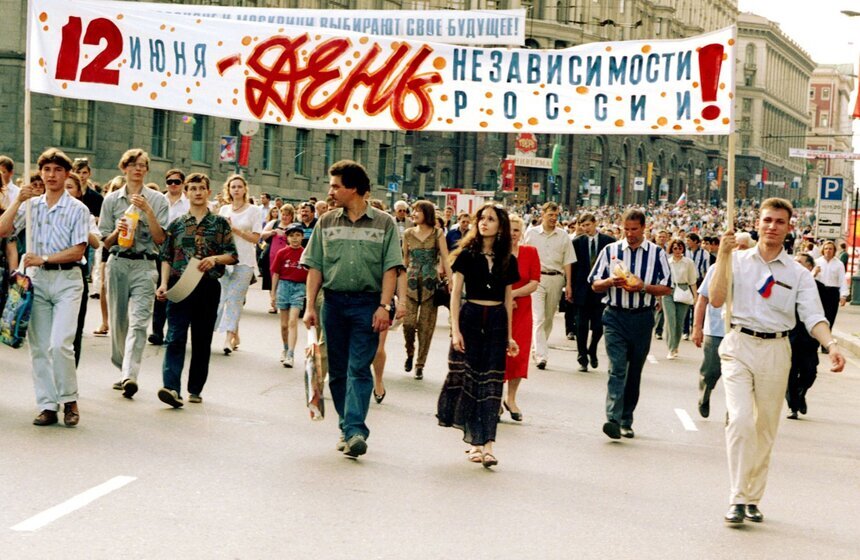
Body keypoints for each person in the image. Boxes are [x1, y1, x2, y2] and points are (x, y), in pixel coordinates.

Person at [709, 197, 845, 525]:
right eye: (767, 220)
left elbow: (813, 315)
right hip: (739, 344)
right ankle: (737, 497)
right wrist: (723, 256)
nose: (772, 227)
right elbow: (715, 298)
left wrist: (831, 345)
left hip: (776, 350)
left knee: (764, 427)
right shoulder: (736, 259)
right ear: (757, 223)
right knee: (740, 419)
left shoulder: (798, 274)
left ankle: (753, 498)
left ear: (788, 228)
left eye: (779, 222)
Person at [302, 160, 402, 459]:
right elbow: (315, 267)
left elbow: (391, 268)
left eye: (335, 186)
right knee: (337, 371)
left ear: (354, 188)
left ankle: (356, 430)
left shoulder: (384, 223)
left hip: (367, 305)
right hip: (332, 303)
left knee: (359, 368)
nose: (330, 191)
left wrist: (385, 306)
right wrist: (310, 307)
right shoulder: (326, 222)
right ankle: (347, 428)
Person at [0, 148, 89, 426]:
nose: (51, 175)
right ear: (41, 173)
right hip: (37, 281)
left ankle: (69, 399)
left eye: (58, 170)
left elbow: (78, 251)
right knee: (38, 347)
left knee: (60, 344)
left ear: (66, 174)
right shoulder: (31, 205)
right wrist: (17, 202)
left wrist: (45, 258)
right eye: (47, 170)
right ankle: (47, 404)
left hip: (67, 280)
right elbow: (3, 231)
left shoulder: (78, 208)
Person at [437, 203, 519, 468]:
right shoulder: (466, 254)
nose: (484, 223)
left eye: (491, 219)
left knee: (492, 386)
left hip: (495, 321)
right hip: (470, 317)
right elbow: (455, 293)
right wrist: (455, 330)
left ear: (500, 226)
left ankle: (489, 446)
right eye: (481, 218)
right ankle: (474, 444)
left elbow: (507, 298)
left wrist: (509, 336)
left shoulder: (509, 259)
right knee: (470, 382)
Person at [155, 173, 238, 408]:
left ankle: (195, 388)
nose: (197, 192)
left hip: (207, 286)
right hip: (180, 286)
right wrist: (163, 284)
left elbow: (232, 256)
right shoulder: (177, 224)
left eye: (201, 188)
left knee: (201, 340)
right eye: (192, 188)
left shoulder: (219, 223)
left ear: (208, 192)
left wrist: (214, 259)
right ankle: (171, 387)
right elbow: (166, 257)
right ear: (186, 193)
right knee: (175, 337)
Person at [589, 208, 672, 440]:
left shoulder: (656, 253)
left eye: (634, 229)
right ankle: (612, 419)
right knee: (617, 368)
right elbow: (594, 283)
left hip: (642, 317)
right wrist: (608, 281)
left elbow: (667, 287)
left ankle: (627, 419)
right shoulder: (611, 250)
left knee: (634, 370)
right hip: (615, 315)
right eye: (626, 229)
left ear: (644, 228)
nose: (630, 234)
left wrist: (642, 286)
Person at [99, 149, 169, 399]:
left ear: (147, 170)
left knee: (139, 323)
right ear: (124, 169)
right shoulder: (111, 200)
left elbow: (161, 239)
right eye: (133, 165)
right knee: (119, 322)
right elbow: (104, 243)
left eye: (142, 165)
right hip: (118, 262)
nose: (138, 169)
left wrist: (148, 211)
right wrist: (118, 231)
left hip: (144, 264)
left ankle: (130, 375)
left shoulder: (158, 200)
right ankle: (121, 366)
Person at [401, 200, 452, 380]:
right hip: (411, 282)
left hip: (431, 284)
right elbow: (404, 261)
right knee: (408, 323)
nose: (413, 214)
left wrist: (450, 280)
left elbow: (445, 258)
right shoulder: (408, 233)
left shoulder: (438, 233)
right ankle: (409, 352)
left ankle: (420, 364)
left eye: (417, 211)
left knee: (425, 326)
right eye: (413, 211)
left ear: (427, 214)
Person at [523, 202, 576, 370]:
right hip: (536, 280)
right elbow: (523, 256)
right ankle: (541, 356)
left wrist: (569, 284)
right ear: (542, 215)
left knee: (548, 318)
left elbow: (568, 261)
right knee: (538, 317)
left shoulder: (563, 236)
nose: (554, 218)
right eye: (550, 215)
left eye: (556, 215)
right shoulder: (531, 233)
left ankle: (537, 347)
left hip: (556, 278)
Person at [216, 174, 262, 354]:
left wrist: (234, 229)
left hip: (244, 261)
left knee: (234, 300)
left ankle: (228, 338)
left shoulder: (254, 211)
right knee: (222, 299)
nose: (236, 190)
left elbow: (256, 238)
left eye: (239, 187)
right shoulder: (224, 210)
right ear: (228, 190)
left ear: (245, 189)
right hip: (225, 260)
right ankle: (235, 333)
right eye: (232, 187)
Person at [503, 214, 540, 421]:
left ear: (522, 232)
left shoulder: (530, 252)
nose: (513, 234)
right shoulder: (496, 253)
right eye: (509, 229)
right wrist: (505, 298)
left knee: (519, 353)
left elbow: (535, 281)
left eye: (516, 230)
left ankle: (511, 398)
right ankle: (495, 398)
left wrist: (514, 294)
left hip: (522, 308)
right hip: (498, 307)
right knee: (498, 353)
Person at [64, 172, 101, 366]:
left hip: (75, 274)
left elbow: (96, 242)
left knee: (73, 331)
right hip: (46, 275)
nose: (65, 191)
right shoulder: (43, 208)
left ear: (79, 192)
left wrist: (79, 224)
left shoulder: (83, 212)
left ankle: (70, 374)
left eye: (70, 187)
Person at [570, 213, 614, 372]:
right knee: (581, 325)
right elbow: (571, 267)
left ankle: (593, 348)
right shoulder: (576, 243)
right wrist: (569, 287)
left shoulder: (608, 242)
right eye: (583, 226)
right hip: (581, 289)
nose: (585, 228)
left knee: (599, 324)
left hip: (601, 289)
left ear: (595, 223)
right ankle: (582, 356)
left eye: (588, 225)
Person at [149, 168, 189, 346]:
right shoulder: (159, 201)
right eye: (170, 182)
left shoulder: (187, 204)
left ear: (183, 184)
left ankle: (173, 332)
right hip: (160, 250)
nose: (173, 185)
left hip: (181, 255)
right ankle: (157, 331)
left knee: (178, 293)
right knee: (161, 291)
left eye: (177, 182)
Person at [786, 253, 827, 419]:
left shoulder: (820, 288)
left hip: (810, 338)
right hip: (789, 337)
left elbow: (824, 314)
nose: (796, 266)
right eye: (794, 262)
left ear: (810, 267)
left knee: (810, 373)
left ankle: (800, 393)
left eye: (800, 263)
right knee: (789, 373)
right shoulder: (784, 285)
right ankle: (793, 406)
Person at [271, 223, 307, 367]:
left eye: (297, 235)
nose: (294, 239)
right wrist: (273, 293)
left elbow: (311, 274)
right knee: (284, 324)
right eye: (291, 236)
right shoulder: (282, 253)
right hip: (283, 286)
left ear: (302, 237)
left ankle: (291, 354)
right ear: (287, 238)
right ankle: (285, 348)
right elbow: (276, 273)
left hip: (299, 288)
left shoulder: (306, 253)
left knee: (293, 322)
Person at [662, 239, 698, 359]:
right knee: (670, 320)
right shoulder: (667, 262)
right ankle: (671, 348)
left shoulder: (688, 262)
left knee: (679, 322)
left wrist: (696, 297)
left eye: (680, 248)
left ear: (683, 249)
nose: (677, 251)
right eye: (675, 248)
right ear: (671, 249)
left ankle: (675, 345)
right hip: (669, 291)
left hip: (683, 290)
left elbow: (692, 281)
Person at [813, 240, 848, 344]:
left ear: (834, 251)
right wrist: (814, 272)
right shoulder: (817, 262)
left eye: (830, 249)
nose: (828, 251)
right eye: (826, 248)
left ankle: (826, 343)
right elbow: (808, 278)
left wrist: (843, 295)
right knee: (818, 318)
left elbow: (842, 280)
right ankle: (815, 342)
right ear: (823, 250)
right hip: (819, 291)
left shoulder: (839, 264)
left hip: (832, 292)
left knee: (830, 318)